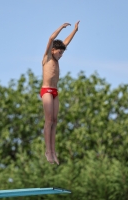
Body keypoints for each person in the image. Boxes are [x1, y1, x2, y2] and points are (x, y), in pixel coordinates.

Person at [40, 21, 80, 165]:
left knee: (55, 121)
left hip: (55, 91)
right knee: (49, 120)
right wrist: (61, 28)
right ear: (52, 50)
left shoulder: (56, 58)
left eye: (62, 52)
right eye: (59, 52)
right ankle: (48, 152)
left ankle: (53, 151)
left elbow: (66, 42)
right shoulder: (47, 57)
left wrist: (74, 31)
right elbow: (51, 39)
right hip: (46, 91)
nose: (61, 54)